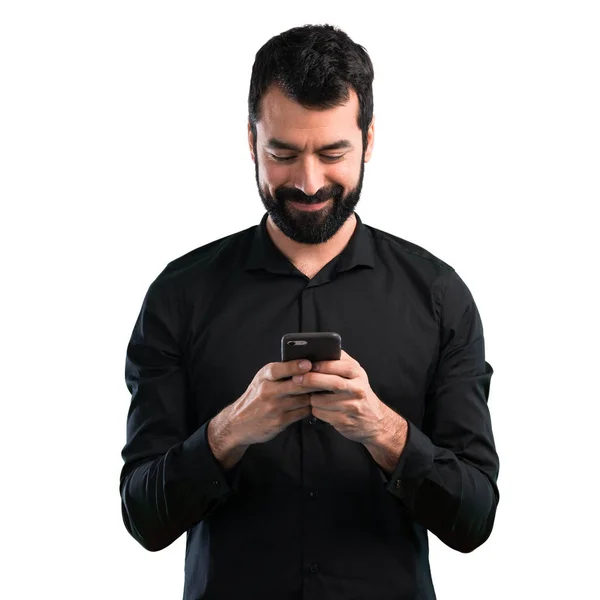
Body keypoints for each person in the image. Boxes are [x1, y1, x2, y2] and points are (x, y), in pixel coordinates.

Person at [119, 23, 499, 600]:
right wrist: (228, 433)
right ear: (251, 142)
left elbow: (474, 521)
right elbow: (143, 519)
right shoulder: (180, 296)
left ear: (369, 140)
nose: (309, 181)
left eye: (333, 152)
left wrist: (385, 432)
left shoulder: (439, 296)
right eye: (283, 153)